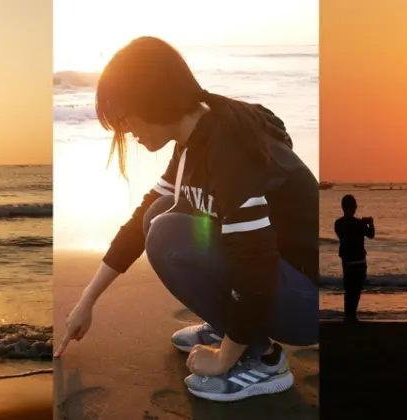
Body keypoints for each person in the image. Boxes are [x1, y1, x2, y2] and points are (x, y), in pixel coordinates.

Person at [54, 36, 319, 402]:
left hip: (309, 301)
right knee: (157, 214)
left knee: (167, 235)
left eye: (125, 119)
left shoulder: (230, 151)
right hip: (279, 279)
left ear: (151, 99)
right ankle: (231, 327)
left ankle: (262, 359)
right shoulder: (193, 138)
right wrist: (87, 301)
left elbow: (256, 265)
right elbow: (141, 219)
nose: (126, 132)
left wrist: (224, 358)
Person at [334, 195, 375, 322]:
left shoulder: (338, 223)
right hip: (359, 261)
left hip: (347, 261)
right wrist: (370, 224)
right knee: (356, 290)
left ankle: (348, 315)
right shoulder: (359, 224)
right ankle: (352, 315)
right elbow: (371, 235)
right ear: (353, 207)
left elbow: (342, 235)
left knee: (348, 289)